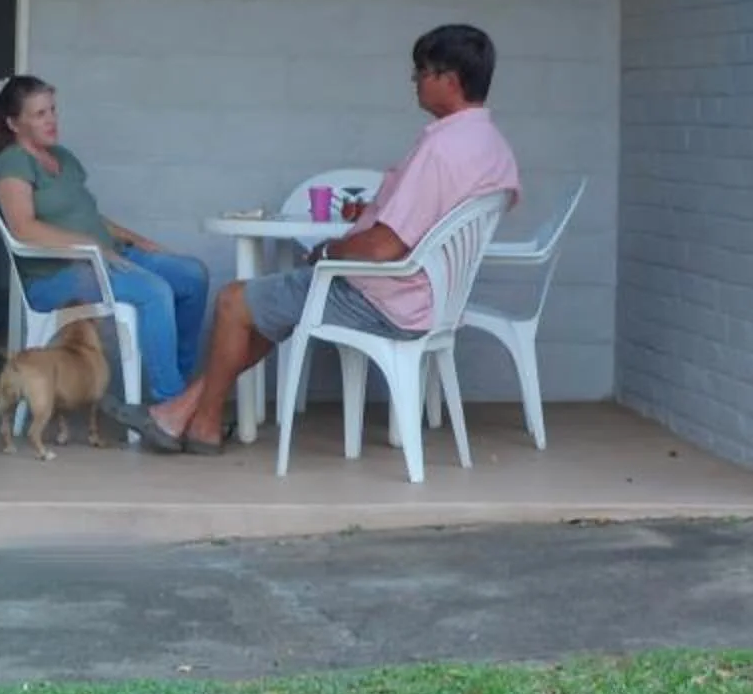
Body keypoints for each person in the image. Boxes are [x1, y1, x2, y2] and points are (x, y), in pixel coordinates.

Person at [142, 24, 520, 455]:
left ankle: (203, 425)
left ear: (450, 81)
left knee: (234, 301)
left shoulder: (441, 148)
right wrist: (374, 213)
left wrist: (327, 252)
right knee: (272, 310)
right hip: (432, 299)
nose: (414, 80)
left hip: (387, 299)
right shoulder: (493, 146)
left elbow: (384, 248)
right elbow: (438, 220)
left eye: (421, 71)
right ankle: (181, 412)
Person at [0, 75, 210, 420]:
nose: (51, 120)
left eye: (53, 110)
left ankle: (179, 389)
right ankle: (170, 406)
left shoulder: (62, 157)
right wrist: (89, 245)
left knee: (192, 275)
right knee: (154, 291)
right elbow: (23, 228)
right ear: (14, 123)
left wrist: (137, 239)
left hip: (104, 257)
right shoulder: (13, 163)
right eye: (40, 114)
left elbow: (88, 216)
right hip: (58, 276)